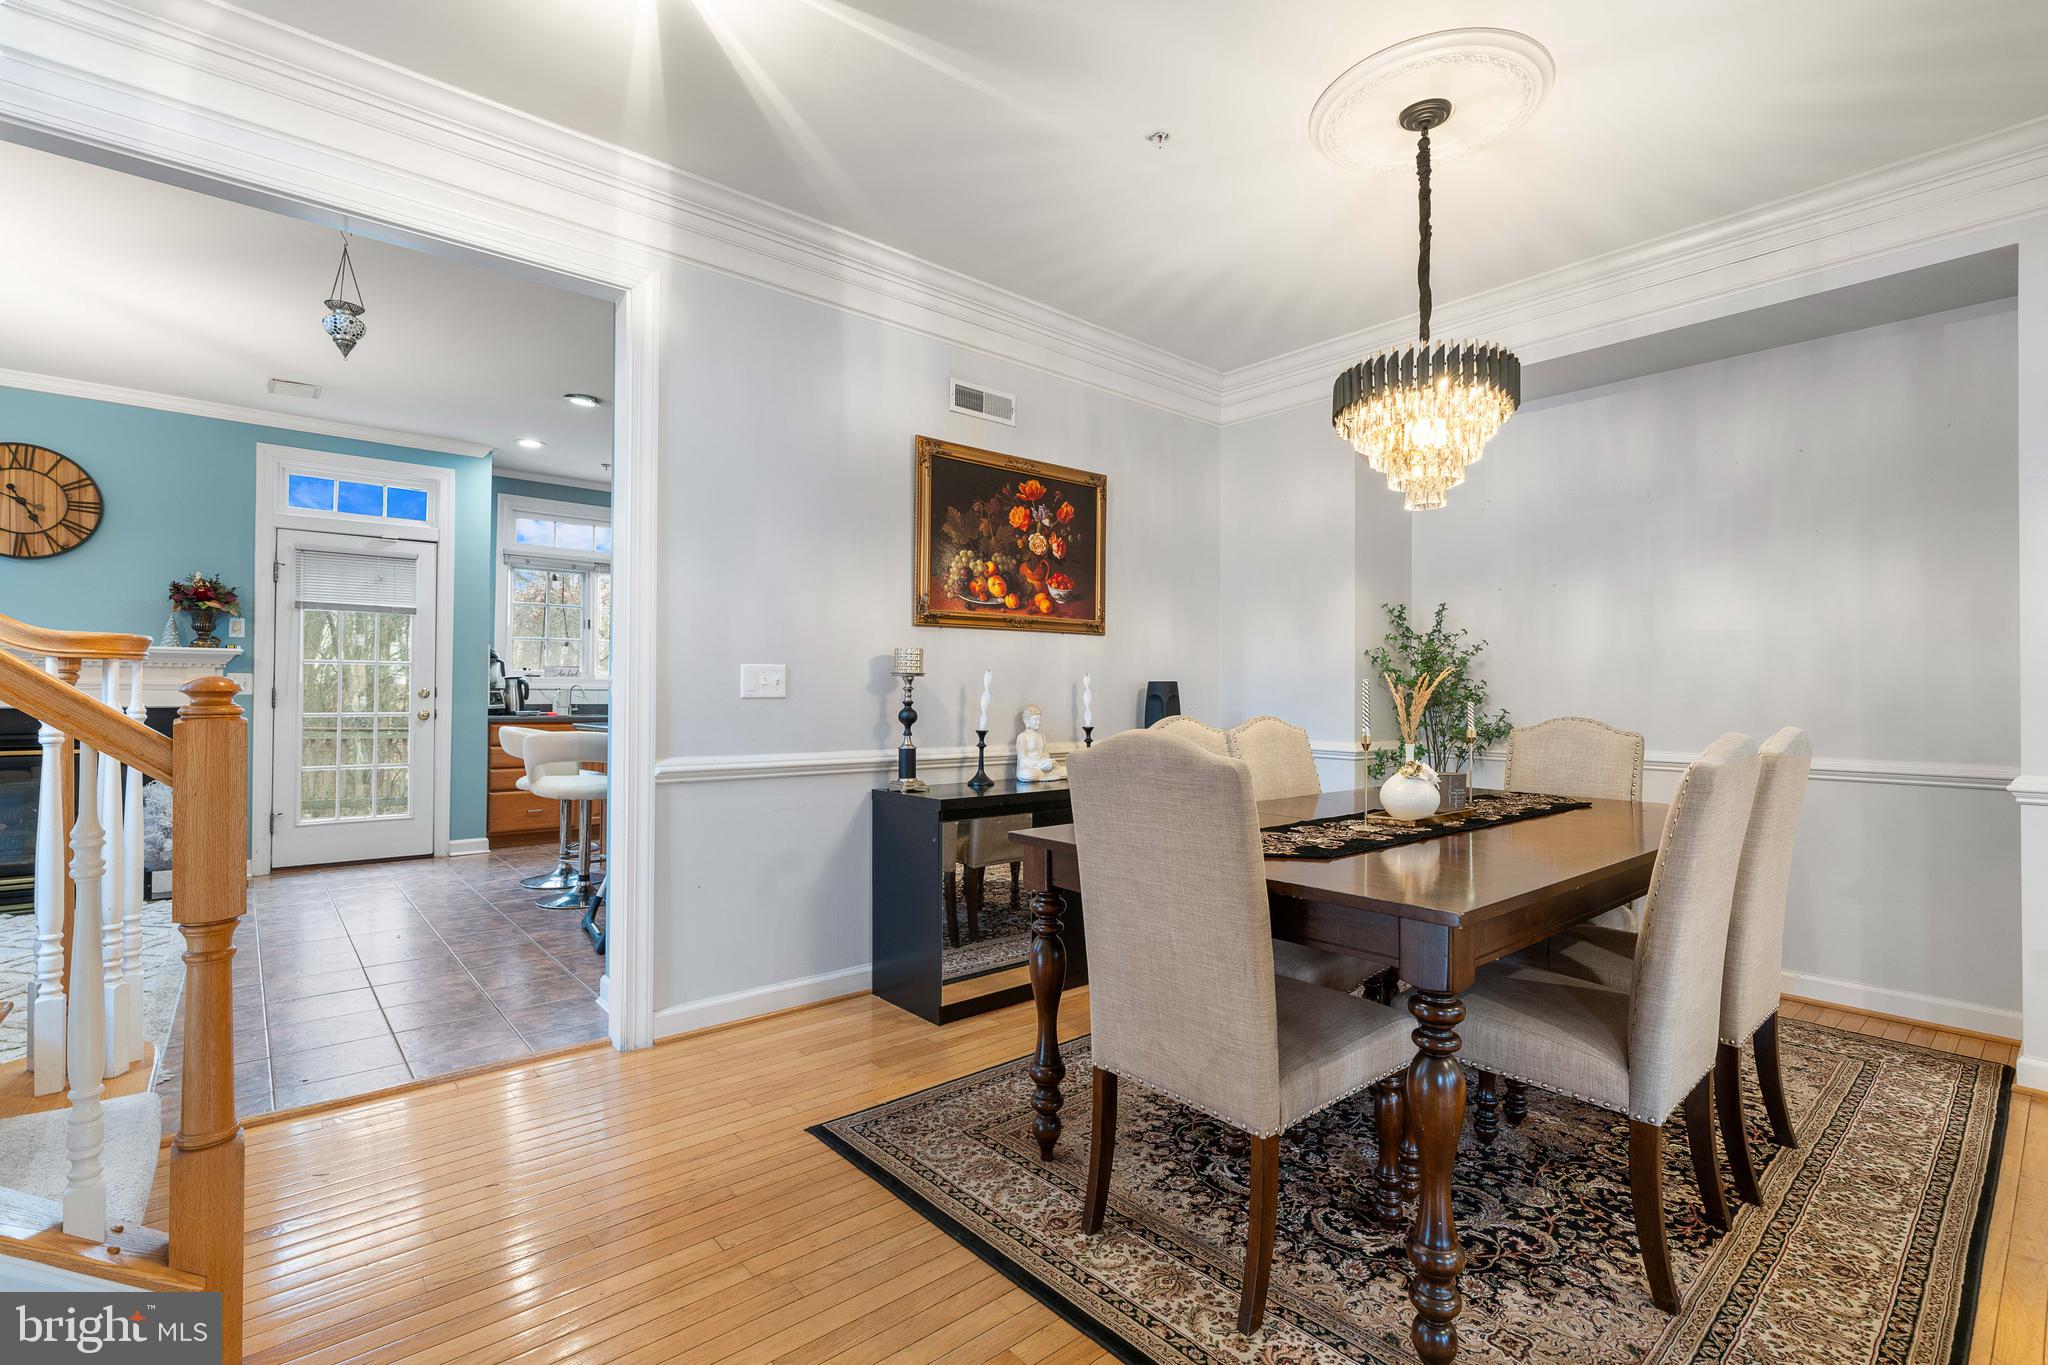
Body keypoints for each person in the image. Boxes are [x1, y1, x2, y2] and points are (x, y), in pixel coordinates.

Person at [1014, 703, 1067, 783]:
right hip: (1030, 768)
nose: (1038, 722)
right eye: (1035, 720)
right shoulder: (1022, 736)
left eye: (1039, 720)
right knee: (1027, 774)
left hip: (1042, 768)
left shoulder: (1041, 736)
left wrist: (1049, 763)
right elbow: (1023, 761)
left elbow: (1045, 755)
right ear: (1027, 721)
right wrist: (1038, 764)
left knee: (1066, 771)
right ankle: (1045, 776)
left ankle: (1045, 775)